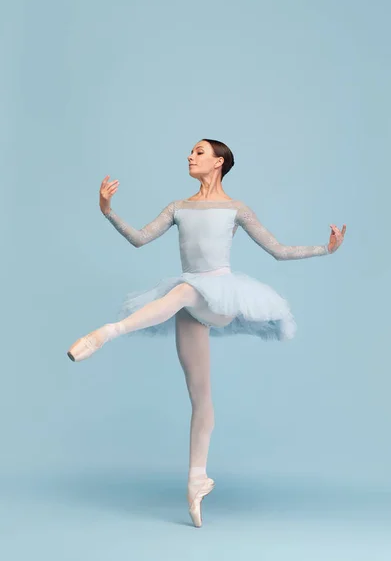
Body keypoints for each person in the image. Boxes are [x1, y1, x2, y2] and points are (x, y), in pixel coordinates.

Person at [67, 139, 346, 527]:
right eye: (190, 152)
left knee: (184, 290)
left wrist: (325, 249)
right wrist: (108, 211)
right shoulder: (178, 207)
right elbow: (140, 238)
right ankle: (197, 481)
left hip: (219, 298)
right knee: (200, 397)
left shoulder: (235, 209)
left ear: (219, 162)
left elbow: (278, 250)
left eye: (198, 152)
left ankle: (108, 333)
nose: (189, 156)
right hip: (188, 304)